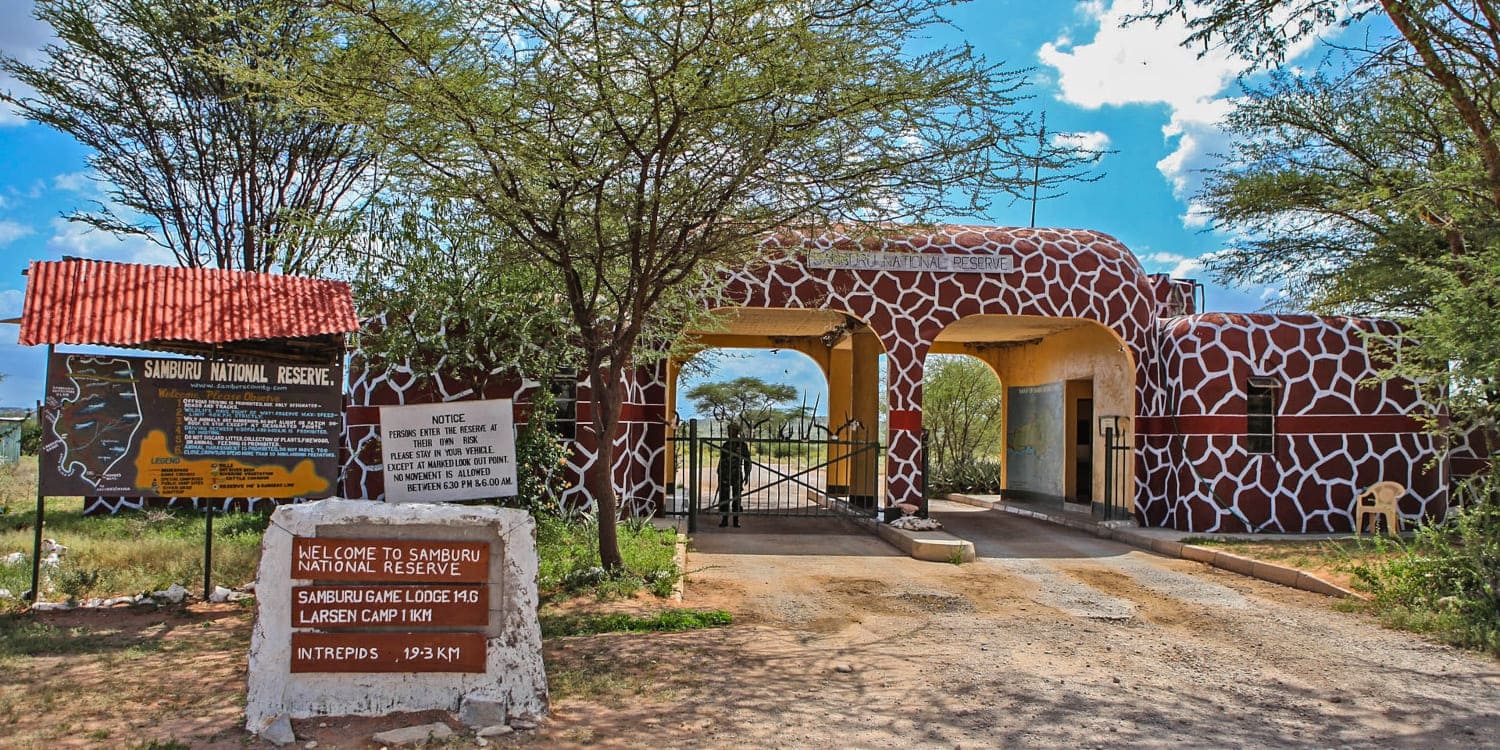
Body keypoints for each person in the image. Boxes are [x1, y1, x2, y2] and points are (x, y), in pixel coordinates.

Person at [717, 422, 751, 527]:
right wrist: (719, 472)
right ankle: (724, 519)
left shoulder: (742, 445)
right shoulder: (726, 444)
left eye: (731, 430)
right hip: (725, 474)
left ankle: (736, 520)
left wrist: (746, 474)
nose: (729, 432)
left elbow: (747, 460)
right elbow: (721, 460)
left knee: (737, 497)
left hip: (736, 473)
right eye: (728, 430)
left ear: (736, 431)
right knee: (724, 497)